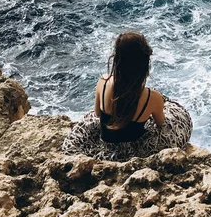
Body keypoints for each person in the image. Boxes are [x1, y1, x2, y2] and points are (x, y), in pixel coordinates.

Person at [62, 32, 193, 161]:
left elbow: (97, 113)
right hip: (133, 151)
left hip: (105, 143)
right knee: (179, 117)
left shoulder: (103, 81)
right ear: (144, 64)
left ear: (116, 60)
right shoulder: (151, 97)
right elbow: (161, 124)